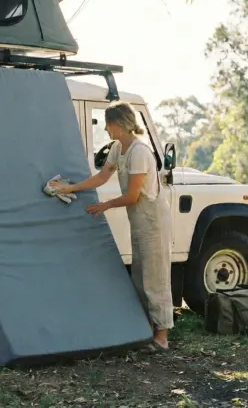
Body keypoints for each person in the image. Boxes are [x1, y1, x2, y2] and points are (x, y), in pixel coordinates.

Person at [51, 101, 174, 351]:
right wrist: (70, 188)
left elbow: (133, 196)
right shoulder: (119, 147)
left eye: (108, 126)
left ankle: (162, 337)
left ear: (117, 124)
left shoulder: (140, 151)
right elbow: (103, 176)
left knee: (155, 277)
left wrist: (104, 206)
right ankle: (148, 330)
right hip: (138, 219)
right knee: (140, 275)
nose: (107, 131)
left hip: (152, 218)